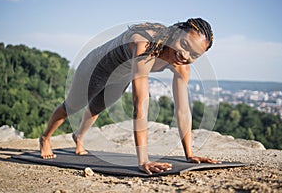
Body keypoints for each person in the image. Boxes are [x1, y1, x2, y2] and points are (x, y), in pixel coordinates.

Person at [40, 17, 219, 175]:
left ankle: (78, 137)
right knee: (72, 106)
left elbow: (182, 110)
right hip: (96, 67)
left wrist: (189, 155)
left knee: (97, 108)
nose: (185, 55)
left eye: (194, 55)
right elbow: (140, 104)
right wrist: (143, 160)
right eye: (185, 45)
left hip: (122, 74)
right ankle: (45, 138)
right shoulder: (145, 44)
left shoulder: (182, 66)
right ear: (177, 33)